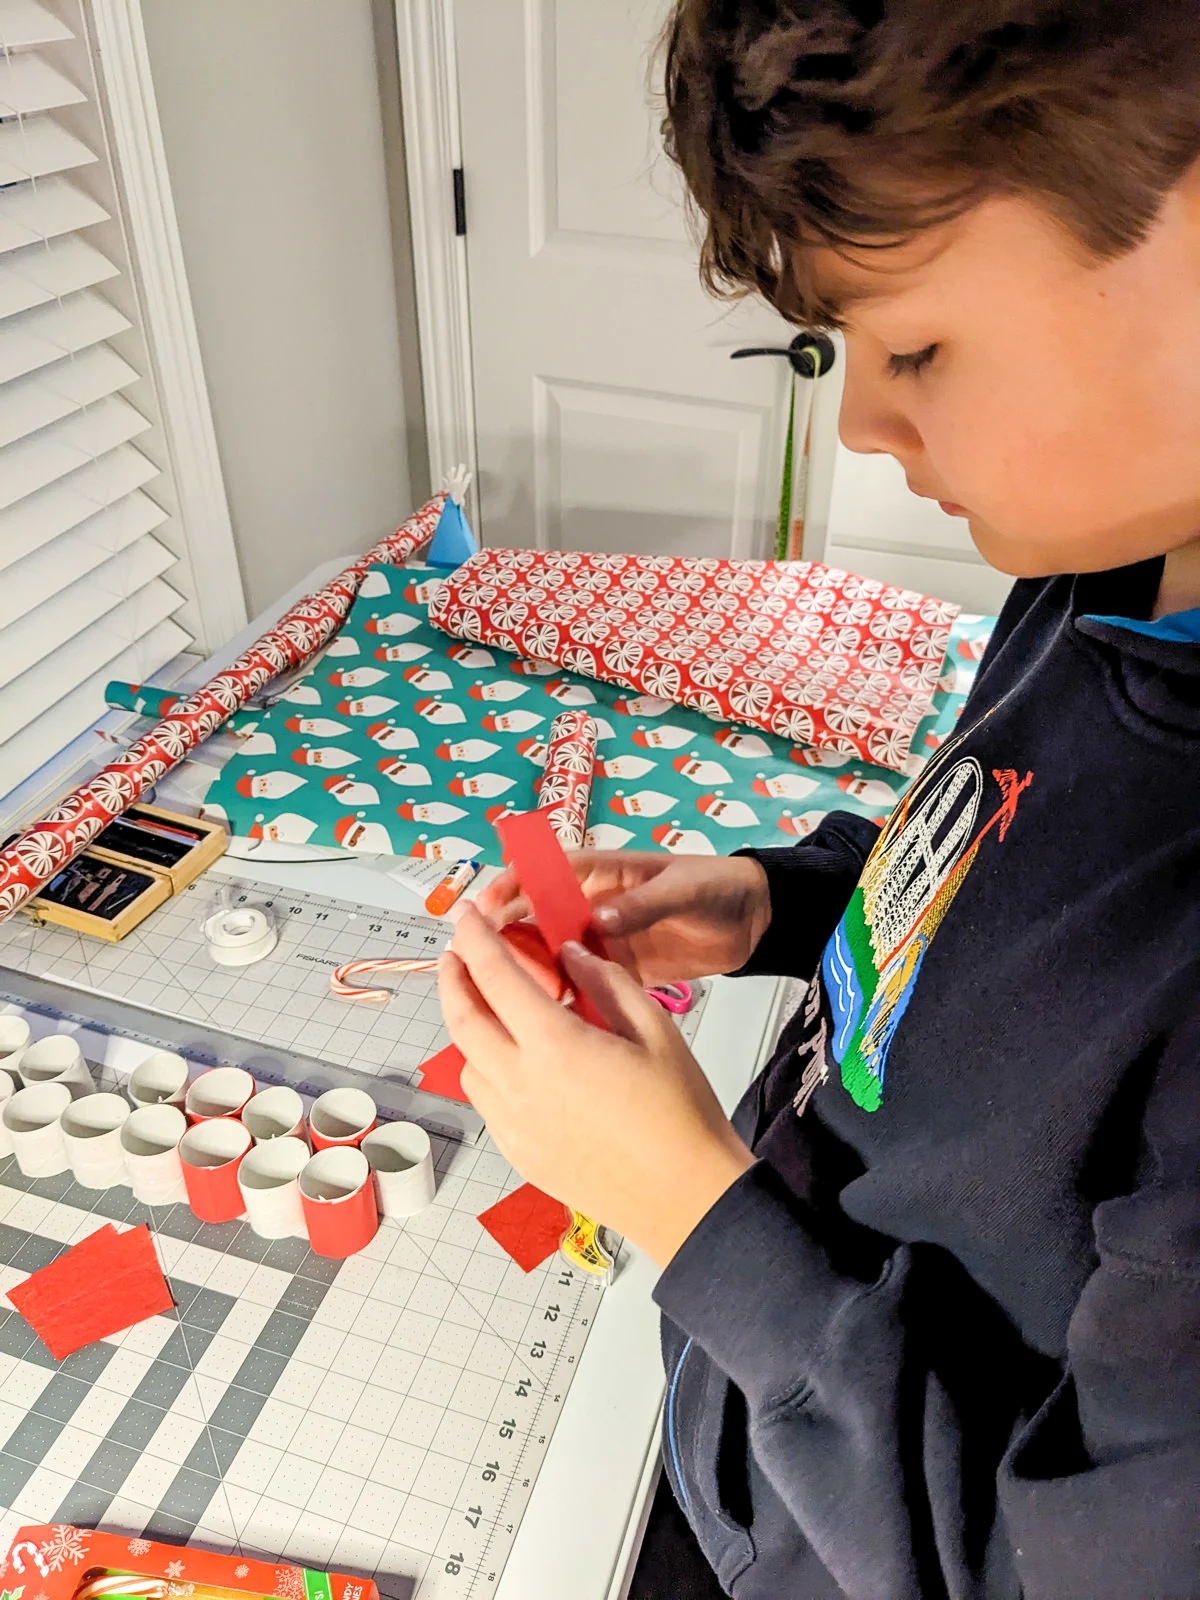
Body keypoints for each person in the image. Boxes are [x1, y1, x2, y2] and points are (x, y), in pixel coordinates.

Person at [437, 2, 1200, 1594]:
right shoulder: (1110, 559)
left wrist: (680, 1201)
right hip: (762, 1405)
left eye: (915, 343)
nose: (858, 419)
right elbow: (1010, 871)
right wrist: (786, 899)